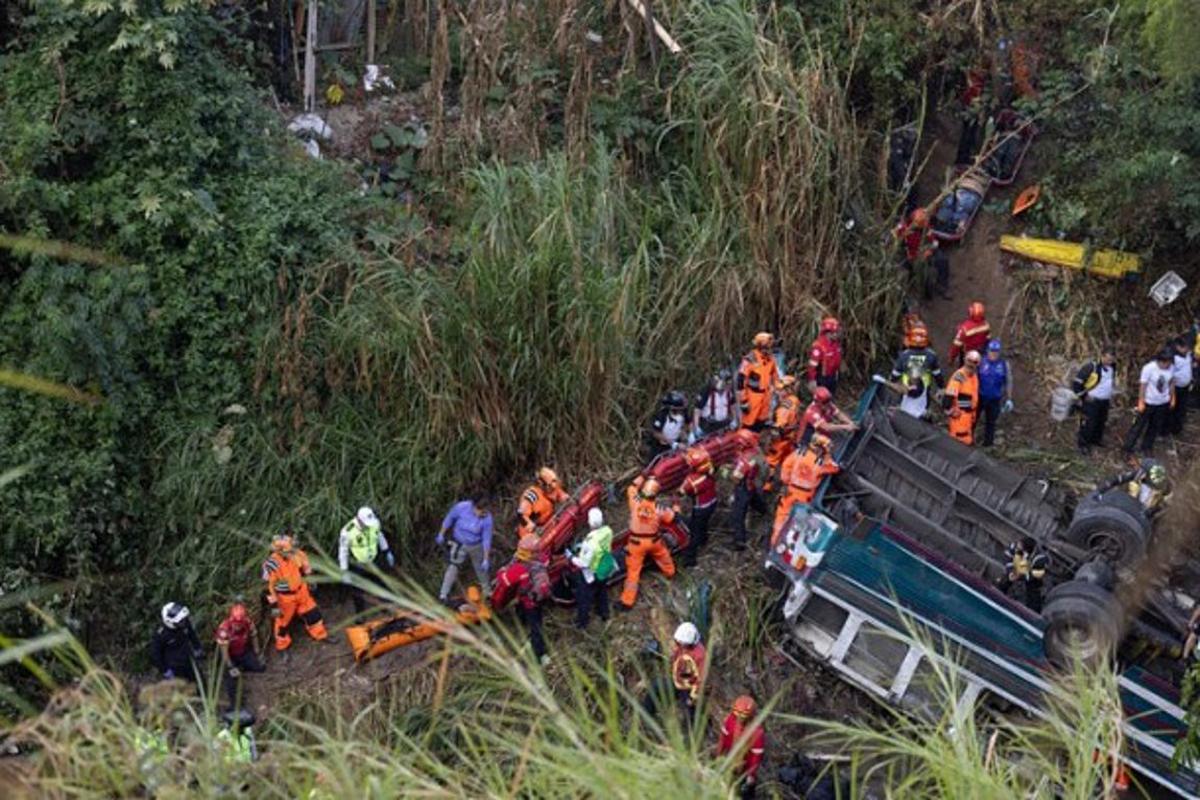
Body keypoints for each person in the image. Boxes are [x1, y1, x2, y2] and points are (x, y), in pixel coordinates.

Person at [262, 533, 328, 651]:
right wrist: (273, 604)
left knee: (312, 613)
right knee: (282, 622)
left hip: (302, 591)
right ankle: (282, 645)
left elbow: (306, 568)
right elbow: (268, 585)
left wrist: (311, 582)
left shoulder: (298, 554)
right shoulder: (272, 563)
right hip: (284, 598)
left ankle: (320, 634)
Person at [491, 535, 551, 665]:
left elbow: (505, 579)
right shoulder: (540, 561)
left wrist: (501, 572)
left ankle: (540, 655)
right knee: (526, 616)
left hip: (531, 602)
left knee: (536, 628)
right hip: (529, 600)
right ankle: (528, 632)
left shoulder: (526, 569)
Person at [620, 476, 677, 609]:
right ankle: (670, 572)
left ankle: (627, 601)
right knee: (664, 556)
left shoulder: (635, 502)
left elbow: (631, 488)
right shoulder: (659, 508)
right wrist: (675, 505)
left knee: (633, 572)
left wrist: (641, 477)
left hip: (636, 544)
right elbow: (672, 518)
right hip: (654, 542)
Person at [773, 434, 840, 546]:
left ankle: (774, 544)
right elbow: (835, 468)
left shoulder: (799, 453)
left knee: (781, 517)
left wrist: (786, 482)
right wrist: (828, 456)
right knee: (797, 523)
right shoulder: (820, 462)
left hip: (790, 491)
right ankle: (788, 545)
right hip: (804, 496)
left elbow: (786, 466)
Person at [436, 494, 494, 604]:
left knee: (481, 569)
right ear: (474, 507)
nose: (483, 514)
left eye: (485, 512)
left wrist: (486, 558)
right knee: (453, 567)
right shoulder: (462, 507)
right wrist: (441, 533)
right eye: (481, 511)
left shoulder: (487, 518)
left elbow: (487, 539)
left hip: (476, 545)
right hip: (459, 543)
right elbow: (449, 518)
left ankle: (488, 593)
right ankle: (443, 595)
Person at [337, 506, 395, 614]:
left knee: (381, 584)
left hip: (374, 559)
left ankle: (385, 607)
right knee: (357, 590)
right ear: (359, 519)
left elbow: (380, 536)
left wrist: (387, 551)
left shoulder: (374, 523)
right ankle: (360, 614)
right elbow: (343, 552)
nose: (368, 526)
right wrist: (344, 571)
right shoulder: (348, 531)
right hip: (358, 563)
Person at [567, 508, 614, 629]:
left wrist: (571, 557)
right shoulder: (608, 531)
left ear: (589, 522)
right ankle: (604, 613)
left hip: (592, 572)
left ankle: (582, 623)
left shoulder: (590, 542)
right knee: (602, 591)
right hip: (604, 567)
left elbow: (583, 563)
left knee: (584, 597)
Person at [1125, 349, 1176, 456]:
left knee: (1154, 427)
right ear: (1160, 361)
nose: (1167, 365)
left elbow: (1171, 383)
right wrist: (1141, 401)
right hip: (1149, 401)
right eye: (1166, 363)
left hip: (1162, 402)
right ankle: (1128, 447)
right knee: (1138, 426)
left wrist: (1172, 398)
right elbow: (1143, 385)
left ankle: (1147, 447)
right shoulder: (1149, 368)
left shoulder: (1171, 368)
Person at [215, 602, 265, 705]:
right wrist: (230, 666)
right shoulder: (224, 629)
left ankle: (241, 667)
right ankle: (234, 703)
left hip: (243, 652)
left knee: (260, 668)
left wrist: (258, 653)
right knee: (232, 678)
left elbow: (254, 636)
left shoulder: (247, 622)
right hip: (230, 656)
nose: (238, 626)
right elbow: (224, 652)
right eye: (236, 623)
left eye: (240, 623)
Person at [717, 695, 767, 799]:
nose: (739, 717)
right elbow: (722, 740)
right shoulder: (730, 721)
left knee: (746, 793)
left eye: (743, 715)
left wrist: (751, 775)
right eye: (737, 713)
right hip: (729, 760)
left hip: (745, 767)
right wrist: (719, 756)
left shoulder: (756, 732)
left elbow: (755, 757)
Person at [1072, 346, 1117, 454]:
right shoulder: (1091, 367)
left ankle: (1096, 440)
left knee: (1100, 421)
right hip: (1092, 401)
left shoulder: (1113, 368)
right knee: (1088, 423)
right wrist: (1083, 396)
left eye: (1111, 360)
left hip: (1104, 401)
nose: (1109, 362)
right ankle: (1083, 445)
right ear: (1102, 356)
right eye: (1107, 359)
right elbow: (1077, 383)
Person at [729, 430, 767, 551]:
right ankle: (763, 510)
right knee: (754, 499)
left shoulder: (743, 460)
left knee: (737, 515)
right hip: (753, 483)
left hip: (743, 487)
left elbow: (736, 477)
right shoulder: (756, 451)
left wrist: (727, 473)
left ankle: (739, 541)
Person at [680, 448, 718, 567]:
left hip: (701, 507)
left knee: (693, 532)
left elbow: (681, 492)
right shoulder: (711, 469)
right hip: (712, 502)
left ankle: (690, 559)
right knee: (704, 524)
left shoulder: (691, 481)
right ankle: (703, 540)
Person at [150, 602, 204, 684]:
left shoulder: (184, 623)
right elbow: (156, 655)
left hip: (189, 661)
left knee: (201, 684)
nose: (183, 623)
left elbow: (192, 635)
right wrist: (164, 670)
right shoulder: (161, 634)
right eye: (180, 621)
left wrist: (197, 648)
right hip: (174, 668)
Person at [763, 375, 801, 490]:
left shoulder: (783, 409)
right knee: (788, 460)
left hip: (781, 439)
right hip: (791, 437)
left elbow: (778, 427)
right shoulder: (795, 400)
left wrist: (771, 434)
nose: (778, 392)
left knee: (771, 461)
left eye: (781, 390)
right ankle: (788, 482)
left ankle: (767, 486)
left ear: (788, 390)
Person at [737, 332, 781, 431]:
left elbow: (775, 376)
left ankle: (756, 442)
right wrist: (744, 401)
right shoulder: (750, 359)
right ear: (761, 346)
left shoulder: (770, 359)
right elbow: (740, 381)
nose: (770, 349)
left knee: (761, 422)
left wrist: (779, 391)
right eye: (768, 346)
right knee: (748, 424)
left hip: (766, 395)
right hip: (753, 397)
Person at [1096, 460, 1170, 516]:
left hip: (1146, 510)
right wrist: (1101, 490)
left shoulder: (1166, 486)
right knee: (1134, 486)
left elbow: (1165, 505)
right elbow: (1118, 479)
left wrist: (1152, 511)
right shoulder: (1138, 476)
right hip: (1129, 503)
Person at [894, 207, 938, 298]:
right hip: (906, 253)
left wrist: (929, 250)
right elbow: (894, 235)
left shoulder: (926, 229)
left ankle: (925, 292)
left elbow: (934, 242)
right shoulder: (904, 227)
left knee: (924, 272)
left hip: (920, 253)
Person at [995, 536, 1047, 612]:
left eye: (1021, 548)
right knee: (1005, 580)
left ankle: (1033, 610)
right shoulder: (1014, 546)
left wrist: (1021, 576)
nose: (1018, 548)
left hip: (1032, 575)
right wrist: (1011, 571)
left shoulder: (1040, 559)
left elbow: (1035, 574)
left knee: (1033, 589)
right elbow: (1007, 557)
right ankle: (997, 594)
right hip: (1016, 569)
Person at [977, 339, 1013, 447]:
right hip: (980, 396)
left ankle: (987, 445)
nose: (993, 354)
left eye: (996, 352)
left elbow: (1009, 381)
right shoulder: (981, 362)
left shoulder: (1003, 365)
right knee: (974, 418)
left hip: (995, 399)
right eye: (991, 351)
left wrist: (1009, 398)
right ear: (987, 351)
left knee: (991, 423)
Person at [515, 467, 570, 538]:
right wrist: (531, 526)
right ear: (541, 483)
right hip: (529, 532)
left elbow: (561, 495)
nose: (552, 489)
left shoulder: (553, 486)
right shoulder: (532, 495)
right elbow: (521, 514)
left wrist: (566, 499)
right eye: (549, 486)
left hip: (547, 525)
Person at [670, 622, 707, 724]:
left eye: (683, 644)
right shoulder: (680, 645)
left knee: (688, 713)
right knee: (656, 686)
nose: (680, 646)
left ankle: (689, 735)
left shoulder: (700, 655)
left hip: (688, 687)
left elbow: (701, 679)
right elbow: (674, 658)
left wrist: (692, 697)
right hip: (677, 681)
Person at [945, 350, 981, 446]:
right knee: (957, 444)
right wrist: (951, 411)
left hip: (969, 418)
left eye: (975, 362)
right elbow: (947, 399)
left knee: (966, 443)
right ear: (965, 360)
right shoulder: (959, 376)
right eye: (970, 361)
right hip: (959, 417)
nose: (971, 364)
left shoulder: (974, 377)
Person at [644, 391, 690, 461]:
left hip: (676, 444)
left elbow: (686, 425)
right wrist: (673, 443)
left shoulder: (684, 413)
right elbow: (656, 433)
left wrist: (685, 437)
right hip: (660, 446)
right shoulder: (662, 415)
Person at [694, 368, 737, 435]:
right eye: (727, 383)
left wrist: (734, 420)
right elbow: (697, 410)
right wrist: (696, 427)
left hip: (724, 425)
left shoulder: (729, 392)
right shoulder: (707, 391)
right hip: (708, 426)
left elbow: (732, 406)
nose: (729, 386)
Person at [806, 316, 843, 396]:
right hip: (822, 379)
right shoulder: (818, 346)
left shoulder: (836, 345)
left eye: (837, 332)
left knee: (830, 398)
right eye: (834, 332)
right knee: (821, 399)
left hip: (832, 377)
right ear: (827, 333)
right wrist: (812, 380)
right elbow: (812, 366)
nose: (837, 335)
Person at [949, 302, 990, 367]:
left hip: (968, 355)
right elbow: (988, 339)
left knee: (964, 371)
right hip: (980, 353)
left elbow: (956, 345)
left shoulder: (964, 328)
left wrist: (952, 358)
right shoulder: (986, 325)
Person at [1170, 336, 1193, 436]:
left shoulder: (1187, 355)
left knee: (1181, 408)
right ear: (1177, 347)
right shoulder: (1173, 358)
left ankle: (1177, 429)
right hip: (1175, 387)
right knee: (1173, 408)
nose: (1186, 349)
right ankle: (1168, 429)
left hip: (1185, 386)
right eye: (1184, 347)